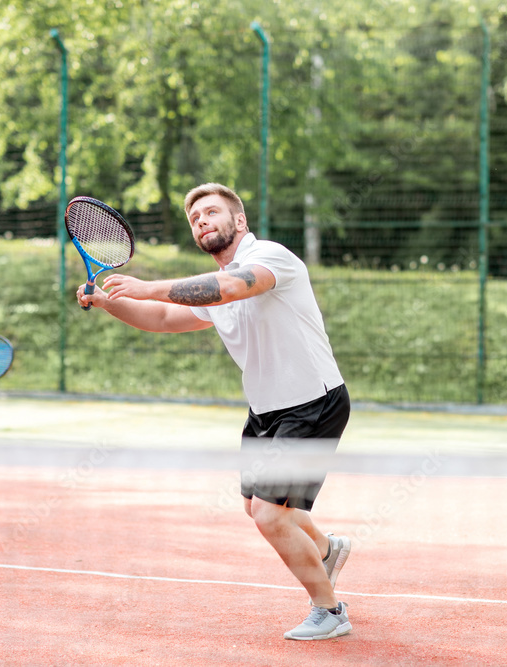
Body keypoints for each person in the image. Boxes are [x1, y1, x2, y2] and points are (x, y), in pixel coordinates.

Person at [77, 183, 353, 641]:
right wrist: (110, 303)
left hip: (312, 401)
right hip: (266, 408)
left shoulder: (270, 256)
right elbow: (163, 319)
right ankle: (325, 549)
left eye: (211, 212)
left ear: (238, 221)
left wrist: (151, 286)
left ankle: (330, 609)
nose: (201, 220)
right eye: (194, 218)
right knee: (255, 506)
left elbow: (228, 287)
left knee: (269, 514)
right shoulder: (208, 289)